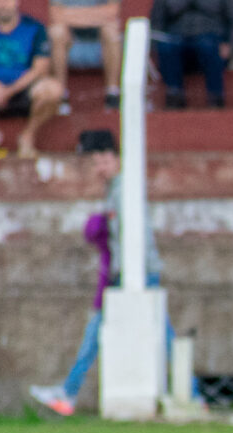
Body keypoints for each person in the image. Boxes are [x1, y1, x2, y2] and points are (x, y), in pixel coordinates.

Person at [27, 131, 165, 417]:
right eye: (95, 163)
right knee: (147, 332)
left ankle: (68, 393)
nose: (99, 168)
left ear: (116, 158)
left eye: (103, 160)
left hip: (134, 273)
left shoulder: (123, 189)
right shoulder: (115, 189)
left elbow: (132, 236)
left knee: (143, 331)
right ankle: (68, 391)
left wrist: (123, 273)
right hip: (129, 272)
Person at [0, 0, 64, 159]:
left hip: (23, 90)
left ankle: (27, 135)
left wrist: (8, 91)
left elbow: (41, 69)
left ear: (17, 0)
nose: (2, 4)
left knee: (53, 90)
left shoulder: (34, 28)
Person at [48, 0, 122, 110]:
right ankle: (61, 93)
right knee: (57, 31)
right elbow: (56, 15)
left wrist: (71, 14)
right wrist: (97, 14)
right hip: (72, 38)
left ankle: (112, 91)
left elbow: (112, 13)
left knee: (111, 30)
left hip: (100, 39)